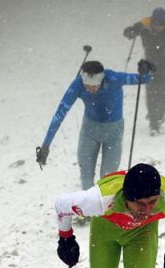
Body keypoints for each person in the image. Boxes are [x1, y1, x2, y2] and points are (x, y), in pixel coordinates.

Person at [36, 60, 155, 190]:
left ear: (102, 79)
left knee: (108, 178)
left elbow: (144, 79)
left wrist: (147, 70)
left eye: (94, 86)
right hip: (90, 131)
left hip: (113, 132)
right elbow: (60, 112)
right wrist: (46, 145)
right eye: (87, 85)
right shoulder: (78, 84)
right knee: (86, 176)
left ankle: (106, 208)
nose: (90, 89)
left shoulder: (113, 78)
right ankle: (89, 207)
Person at [123, 7, 165, 135]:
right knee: (151, 92)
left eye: (161, 24)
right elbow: (127, 33)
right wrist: (134, 28)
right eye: (155, 24)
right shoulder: (145, 29)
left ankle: (159, 116)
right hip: (150, 65)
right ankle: (153, 121)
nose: (158, 27)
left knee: (163, 92)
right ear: (152, 23)